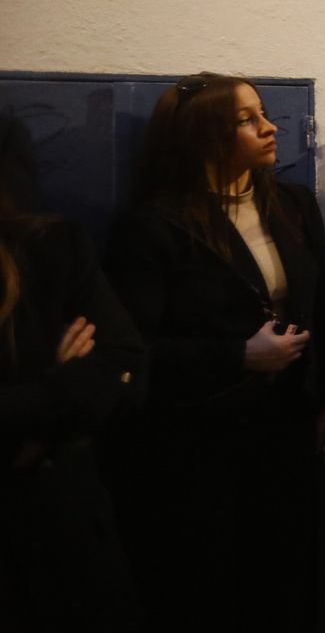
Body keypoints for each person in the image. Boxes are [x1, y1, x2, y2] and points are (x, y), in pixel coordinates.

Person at [107, 73, 325, 633]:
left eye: (264, 114)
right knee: (212, 586)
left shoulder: (291, 203)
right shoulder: (154, 225)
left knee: (286, 578)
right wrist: (237, 355)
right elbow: (134, 351)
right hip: (201, 439)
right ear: (201, 136)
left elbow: (323, 310)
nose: (269, 128)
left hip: (287, 424)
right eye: (246, 119)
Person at [1, 124, 148, 633]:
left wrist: (32, 423)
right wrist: (60, 390)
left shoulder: (50, 246)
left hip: (63, 518)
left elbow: (129, 367)